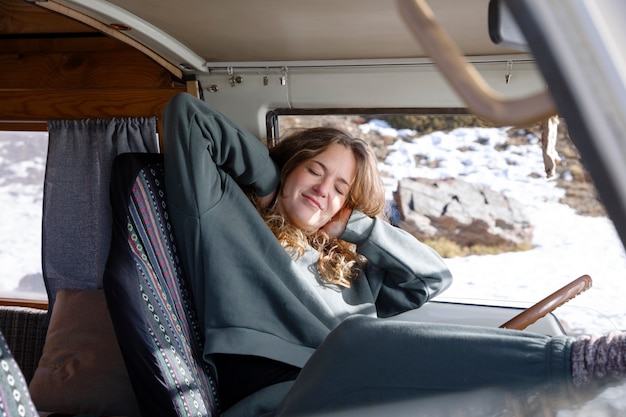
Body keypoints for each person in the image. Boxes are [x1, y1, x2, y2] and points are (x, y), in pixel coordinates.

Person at [163, 92, 626, 416]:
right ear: (290, 166)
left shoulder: (343, 264)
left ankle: (554, 380)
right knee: (352, 340)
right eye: (314, 171)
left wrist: (358, 227)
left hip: (355, 392)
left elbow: (431, 280)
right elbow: (187, 115)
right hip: (280, 400)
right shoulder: (222, 217)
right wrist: (269, 186)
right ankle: (579, 363)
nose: (323, 190)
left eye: (340, 188)